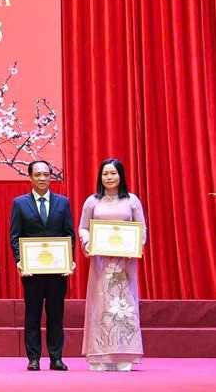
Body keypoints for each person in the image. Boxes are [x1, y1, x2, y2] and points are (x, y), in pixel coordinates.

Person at [79, 158, 146, 371]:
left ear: (120, 176)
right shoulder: (92, 201)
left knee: (124, 305)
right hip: (101, 263)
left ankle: (124, 355)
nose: (109, 177)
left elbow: (141, 228)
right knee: (101, 304)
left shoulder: (132, 200)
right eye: (105, 173)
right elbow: (83, 228)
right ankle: (100, 357)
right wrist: (88, 242)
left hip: (124, 263)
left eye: (113, 173)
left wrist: (135, 245)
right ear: (100, 177)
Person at [10, 160, 75, 371]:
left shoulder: (63, 203)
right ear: (30, 177)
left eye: (46, 174)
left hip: (57, 270)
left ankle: (56, 358)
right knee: (33, 315)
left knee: (56, 315)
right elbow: (15, 236)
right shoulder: (20, 203)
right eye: (37, 174)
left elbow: (69, 235)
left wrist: (68, 260)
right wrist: (20, 261)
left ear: (50, 177)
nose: (42, 178)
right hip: (32, 271)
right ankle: (34, 358)